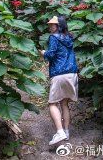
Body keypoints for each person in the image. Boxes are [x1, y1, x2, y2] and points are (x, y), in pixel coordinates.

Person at [39, 15, 79, 145]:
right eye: (49, 24)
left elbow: (51, 55)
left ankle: (60, 132)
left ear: (59, 26)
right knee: (64, 104)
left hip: (59, 74)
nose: (50, 27)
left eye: (53, 25)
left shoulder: (53, 37)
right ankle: (66, 132)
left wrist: (44, 53)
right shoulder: (69, 38)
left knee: (52, 103)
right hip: (72, 74)